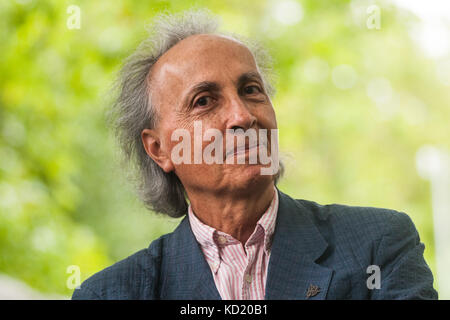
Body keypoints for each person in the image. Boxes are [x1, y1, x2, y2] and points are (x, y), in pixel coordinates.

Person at [72, 9, 438, 300]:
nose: (243, 116)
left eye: (251, 90)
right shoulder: (111, 293)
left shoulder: (379, 246)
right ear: (159, 149)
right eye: (204, 101)